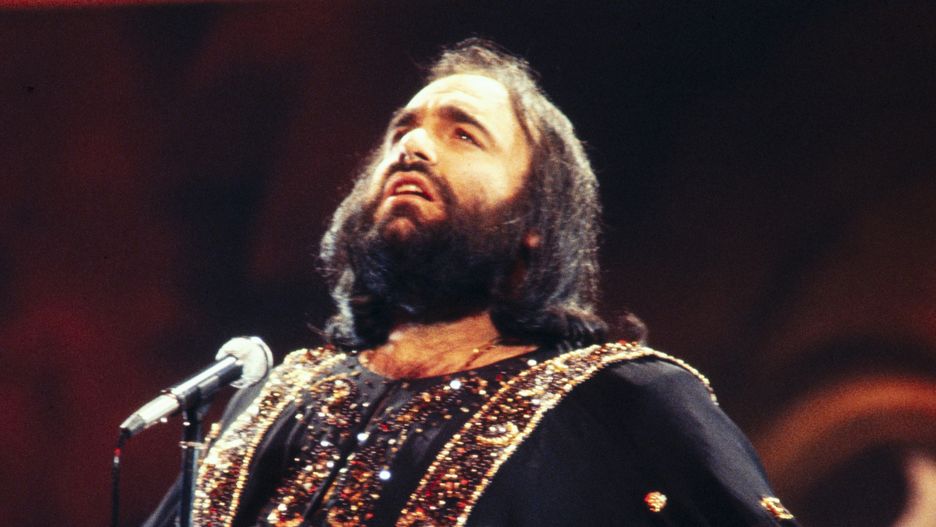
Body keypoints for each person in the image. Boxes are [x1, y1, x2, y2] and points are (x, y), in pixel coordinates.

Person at [145, 39, 798, 527]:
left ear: (535, 221)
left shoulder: (627, 400)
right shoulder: (275, 396)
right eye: (403, 130)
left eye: (463, 134)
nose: (413, 147)